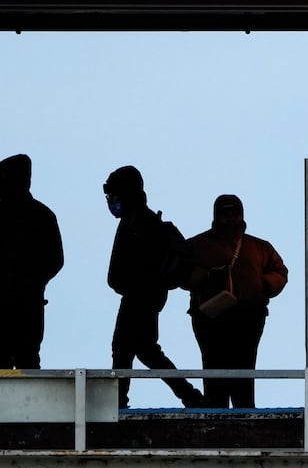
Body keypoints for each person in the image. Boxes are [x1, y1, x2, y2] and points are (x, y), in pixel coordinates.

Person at [103, 165, 206, 409]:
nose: (110, 201)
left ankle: (119, 402)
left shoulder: (142, 223)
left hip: (140, 297)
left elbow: (142, 268)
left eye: (113, 195)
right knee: (143, 350)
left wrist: (131, 284)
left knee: (126, 349)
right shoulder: (134, 220)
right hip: (141, 296)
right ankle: (189, 396)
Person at [184, 194, 288, 409]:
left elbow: (280, 273)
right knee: (222, 372)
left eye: (234, 212)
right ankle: (231, 416)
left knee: (237, 371)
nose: (230, 217)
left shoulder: (198, 245)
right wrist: (204, 277)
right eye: (225, 212)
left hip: (239, 316)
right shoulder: (258, 247)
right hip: (216, 318)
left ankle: (228, 416)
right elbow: (180, 274)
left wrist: (261, 284)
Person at [0, 153, 64, 369]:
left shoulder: (41, 216)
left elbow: (55, 259)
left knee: (26, 364)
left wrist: (30, 284)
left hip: (26, 305)